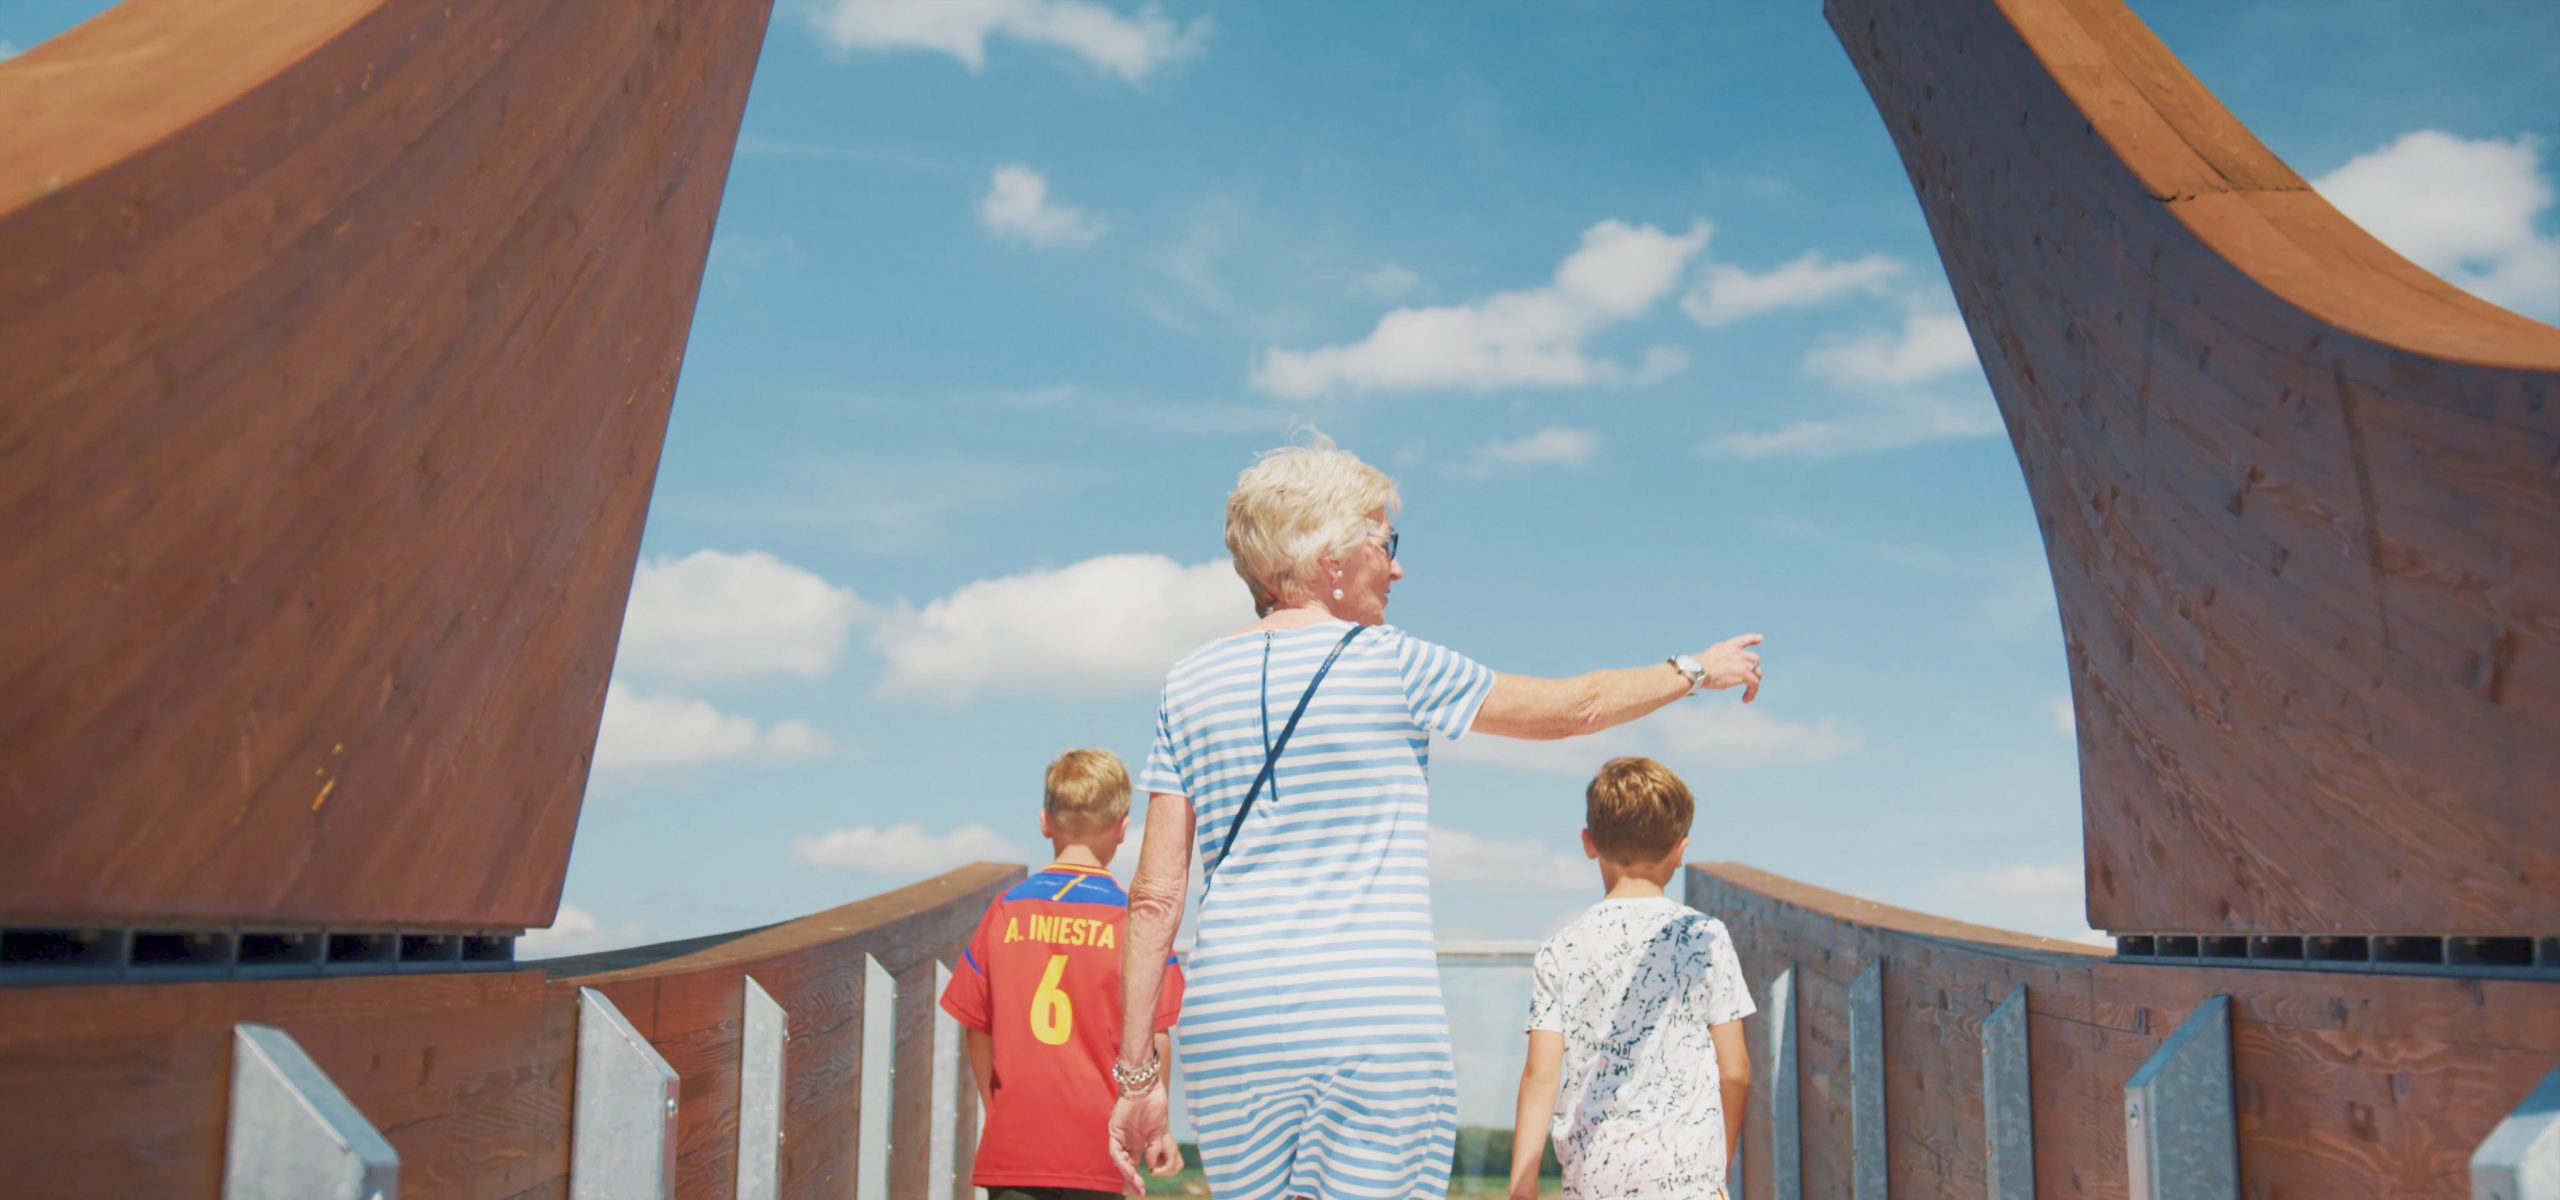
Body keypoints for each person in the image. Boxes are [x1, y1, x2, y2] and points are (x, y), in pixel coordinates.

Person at [1106, 433, 1766, 1200]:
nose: (1397, 566)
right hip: (1370, 1016)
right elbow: (1571, 709)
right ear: (1332, 560)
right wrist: (1693, 670)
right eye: (1385, 544)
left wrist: (1137, 1075)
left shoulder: (1187, 682)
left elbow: (1155, 898)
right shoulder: (1394, 663)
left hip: (1232, 1024)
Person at [941, 748, 1186, 1200]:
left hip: (1014, 1150)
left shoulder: (1007, 909)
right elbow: (1157, 1035)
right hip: (1102, 1148)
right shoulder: (1132, 925)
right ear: (1121, 829)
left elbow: (977, 1027)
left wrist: (995, 1112)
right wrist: (1158, 1129)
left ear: (1044, 822)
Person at [1506, 757, 1754, 1200]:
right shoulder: (1706, 937)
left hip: (1595, 1178)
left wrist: (1522, 1187)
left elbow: (1540, 1075)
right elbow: (1734, 1070)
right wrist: (1719, 1166)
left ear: (1588, 843)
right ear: (1680, 849)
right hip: (1687, 1176)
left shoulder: (1559, 950)